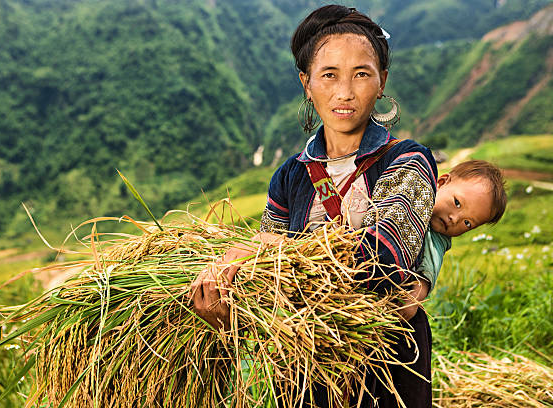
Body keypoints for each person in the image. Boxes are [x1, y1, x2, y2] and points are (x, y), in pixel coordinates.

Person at [192, 5, 440, 407]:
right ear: (306, 83)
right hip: (306, 366)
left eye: (362, 73)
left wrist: (272, 251)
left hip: (388, 363)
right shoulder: (290, 177)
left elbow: (381, 266)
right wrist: (231, 307)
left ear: (382, 83)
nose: (345, 92)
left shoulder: (408, 162)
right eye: (329, 75)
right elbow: (266, 283)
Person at [399, 159, 508, 320]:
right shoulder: (409, 193)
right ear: (442, 183)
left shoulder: (438, 239)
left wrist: (414, 298)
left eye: (468, 223)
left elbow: (429, 269)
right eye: (457, 203)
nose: (454, 219)